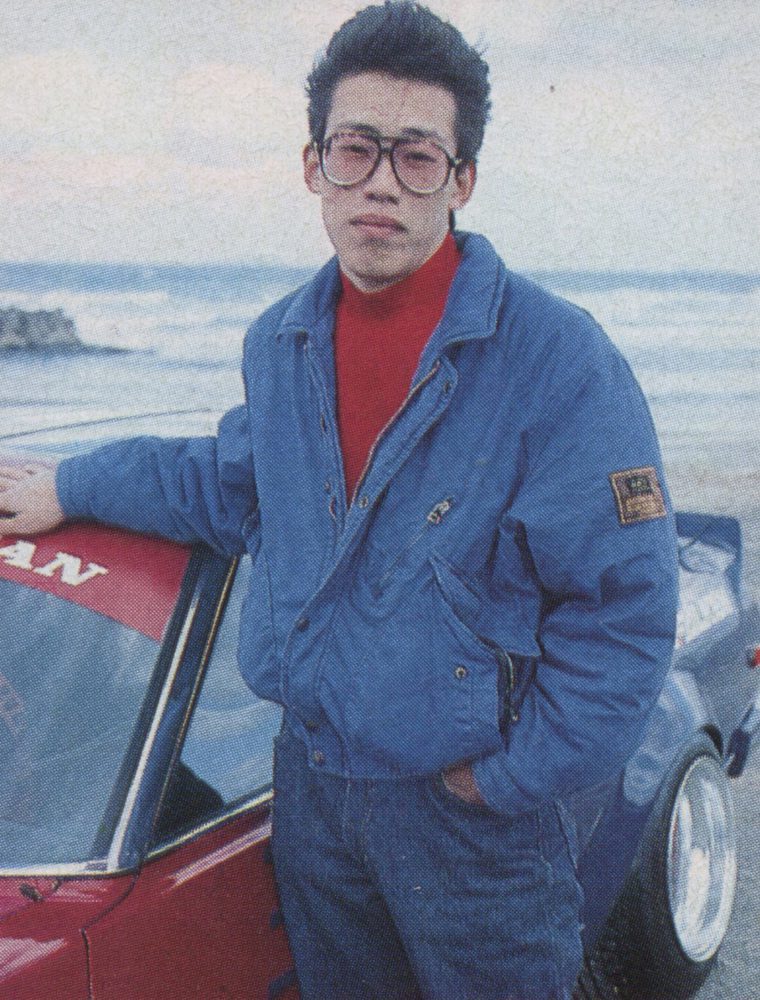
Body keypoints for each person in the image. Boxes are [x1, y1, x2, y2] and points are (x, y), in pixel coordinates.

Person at [0, 3, 678, 998]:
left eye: (417, 157)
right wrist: (69, 484)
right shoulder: (283, 340)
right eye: (356, 149)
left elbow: (624, 611)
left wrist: (507, 779)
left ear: (462, 180)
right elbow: (229, 482)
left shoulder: (558, 361)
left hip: (469, 816)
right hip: (313, 787)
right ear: (314, 164)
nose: (380, 184)